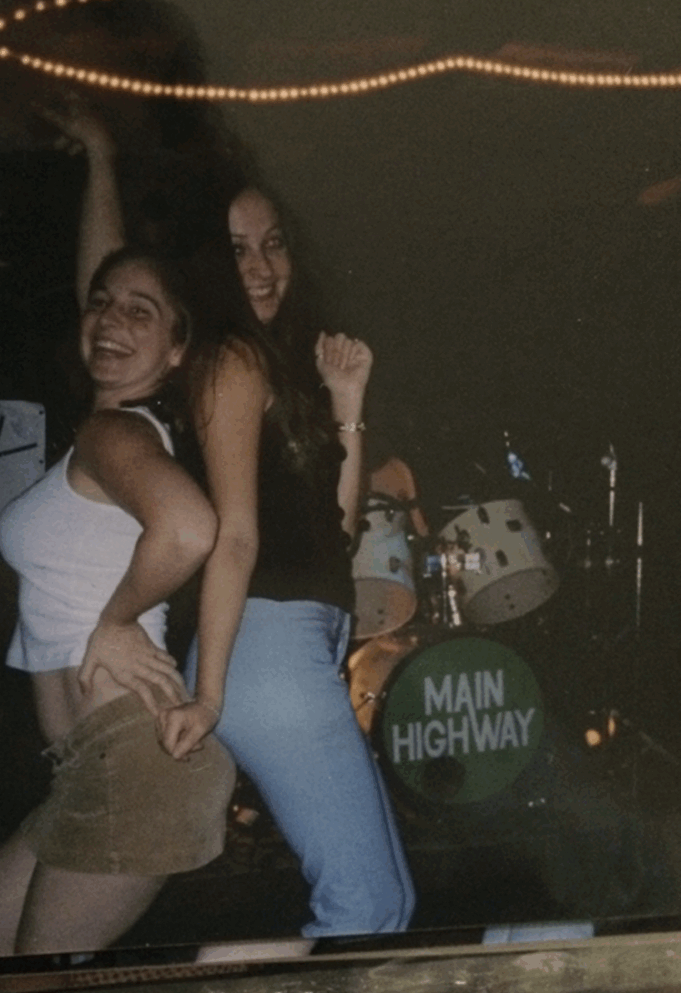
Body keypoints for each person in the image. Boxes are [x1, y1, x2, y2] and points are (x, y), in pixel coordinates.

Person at [0, 244, 235, 958]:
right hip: (87, 763)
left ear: (176, 351)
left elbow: (190, 529)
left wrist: (115, 620)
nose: (110, 319)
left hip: (131, 760)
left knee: (34, 974)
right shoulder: (100, 440)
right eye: (101, 302)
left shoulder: (115, 432)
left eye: (141, 311)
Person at [157, 183, 416, 953]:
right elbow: (234, 537)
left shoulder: (270, 363)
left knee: (386, 903)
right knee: (366, 906)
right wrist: (209, 695)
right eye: (237, 250)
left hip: (290, 644)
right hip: (263, 648)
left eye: (272, 244)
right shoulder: (232, 359)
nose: (262, 267)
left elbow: (337, 530)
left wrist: (347, 401)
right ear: (207, 264)